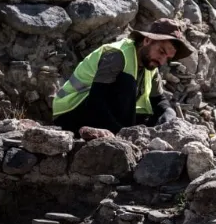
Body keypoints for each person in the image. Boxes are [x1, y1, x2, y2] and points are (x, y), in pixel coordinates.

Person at [52, 18, 195, 140]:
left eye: (167, 58)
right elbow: (97, 100)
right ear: (147, 40)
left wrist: (168, 113)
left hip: (103, 113)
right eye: (161, 52)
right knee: (126, 84)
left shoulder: (151, 65)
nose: (162, 61)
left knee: (157, 117)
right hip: (70, 112)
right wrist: (122, 135)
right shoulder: (118, 55)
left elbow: (159, 100)